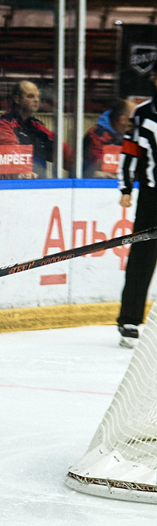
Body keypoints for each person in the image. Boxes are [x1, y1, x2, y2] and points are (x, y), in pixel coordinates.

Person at [117, 92, 157, 347]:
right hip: (152, 196)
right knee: (142, 257)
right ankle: (130, 320)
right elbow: (130, 152)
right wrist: (126, 189)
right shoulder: (142, 115)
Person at [0, 80, 73, 178]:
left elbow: (60, 148)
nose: (36, 100)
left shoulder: (36, 125)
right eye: (30, 96)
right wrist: (23, 170)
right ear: (17, 99)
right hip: (9, 184)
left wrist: (81, 165)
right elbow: (8, 148)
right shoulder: (3, 122)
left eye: (38, 96)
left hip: (33, 182)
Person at [84, 99, 132, 178]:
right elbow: (98, 165)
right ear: (122, 119)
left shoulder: (127, 135)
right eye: (132, 120)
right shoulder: (98, 135)